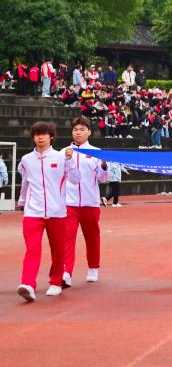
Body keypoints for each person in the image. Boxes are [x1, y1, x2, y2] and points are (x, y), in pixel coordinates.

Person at [16, 121, 80, 302]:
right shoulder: (26, 160)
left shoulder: (61, 157)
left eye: (43, 134)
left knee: (58, 250)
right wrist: (22, 202)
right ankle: (28, 284)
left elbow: (75, 179)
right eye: (37, 134)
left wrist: (70, 161)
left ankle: (56, 282)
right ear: (33, 137)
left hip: (57, 211)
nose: (40, 138)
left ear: (51, 137)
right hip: (33, 212)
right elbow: (25, 183)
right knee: (32, 249)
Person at [63, 116, 109, 285]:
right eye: (75, 129)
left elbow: (103, 178)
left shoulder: (96, 152)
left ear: (89, 132)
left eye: (82, 129)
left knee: (92, 237)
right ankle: (66, 272)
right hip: (69, 203)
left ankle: (93, 267)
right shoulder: (64, 152)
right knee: (67, 238)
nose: (78, 133)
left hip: (90, 202)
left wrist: (104, 166)